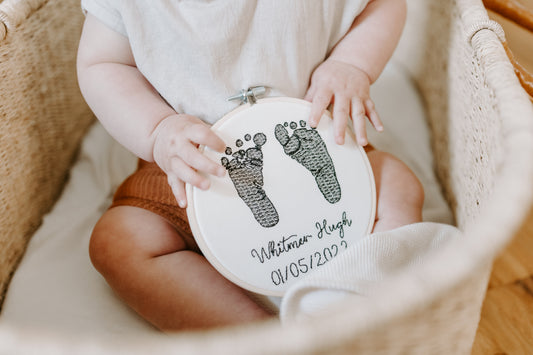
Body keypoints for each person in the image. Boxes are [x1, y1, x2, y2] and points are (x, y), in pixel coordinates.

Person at [77, 0, 423, 331]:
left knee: (397, 184)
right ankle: (262, 333)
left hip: (308, 136)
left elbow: (382, 3)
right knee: (119, 242)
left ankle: (349, 302)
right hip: (197, 165)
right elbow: (103, 64)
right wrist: (157, 128)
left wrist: (351, 63)